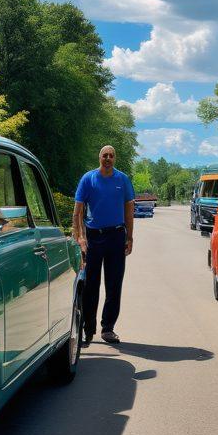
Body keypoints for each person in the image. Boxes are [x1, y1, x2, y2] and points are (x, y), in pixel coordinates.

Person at [73, 145, 135, 345]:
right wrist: (80, 237)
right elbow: (78, 211)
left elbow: (129, 209)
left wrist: (129, 236)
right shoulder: (88, 179)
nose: (108, 158)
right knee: (90, 286)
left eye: (111, 156)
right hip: (93, 238)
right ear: (99, 157)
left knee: (114, 284)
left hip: (116, 236)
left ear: (114, 159)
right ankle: (88, 329)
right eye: (105, 155)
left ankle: (108, 328)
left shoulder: (122, 180)